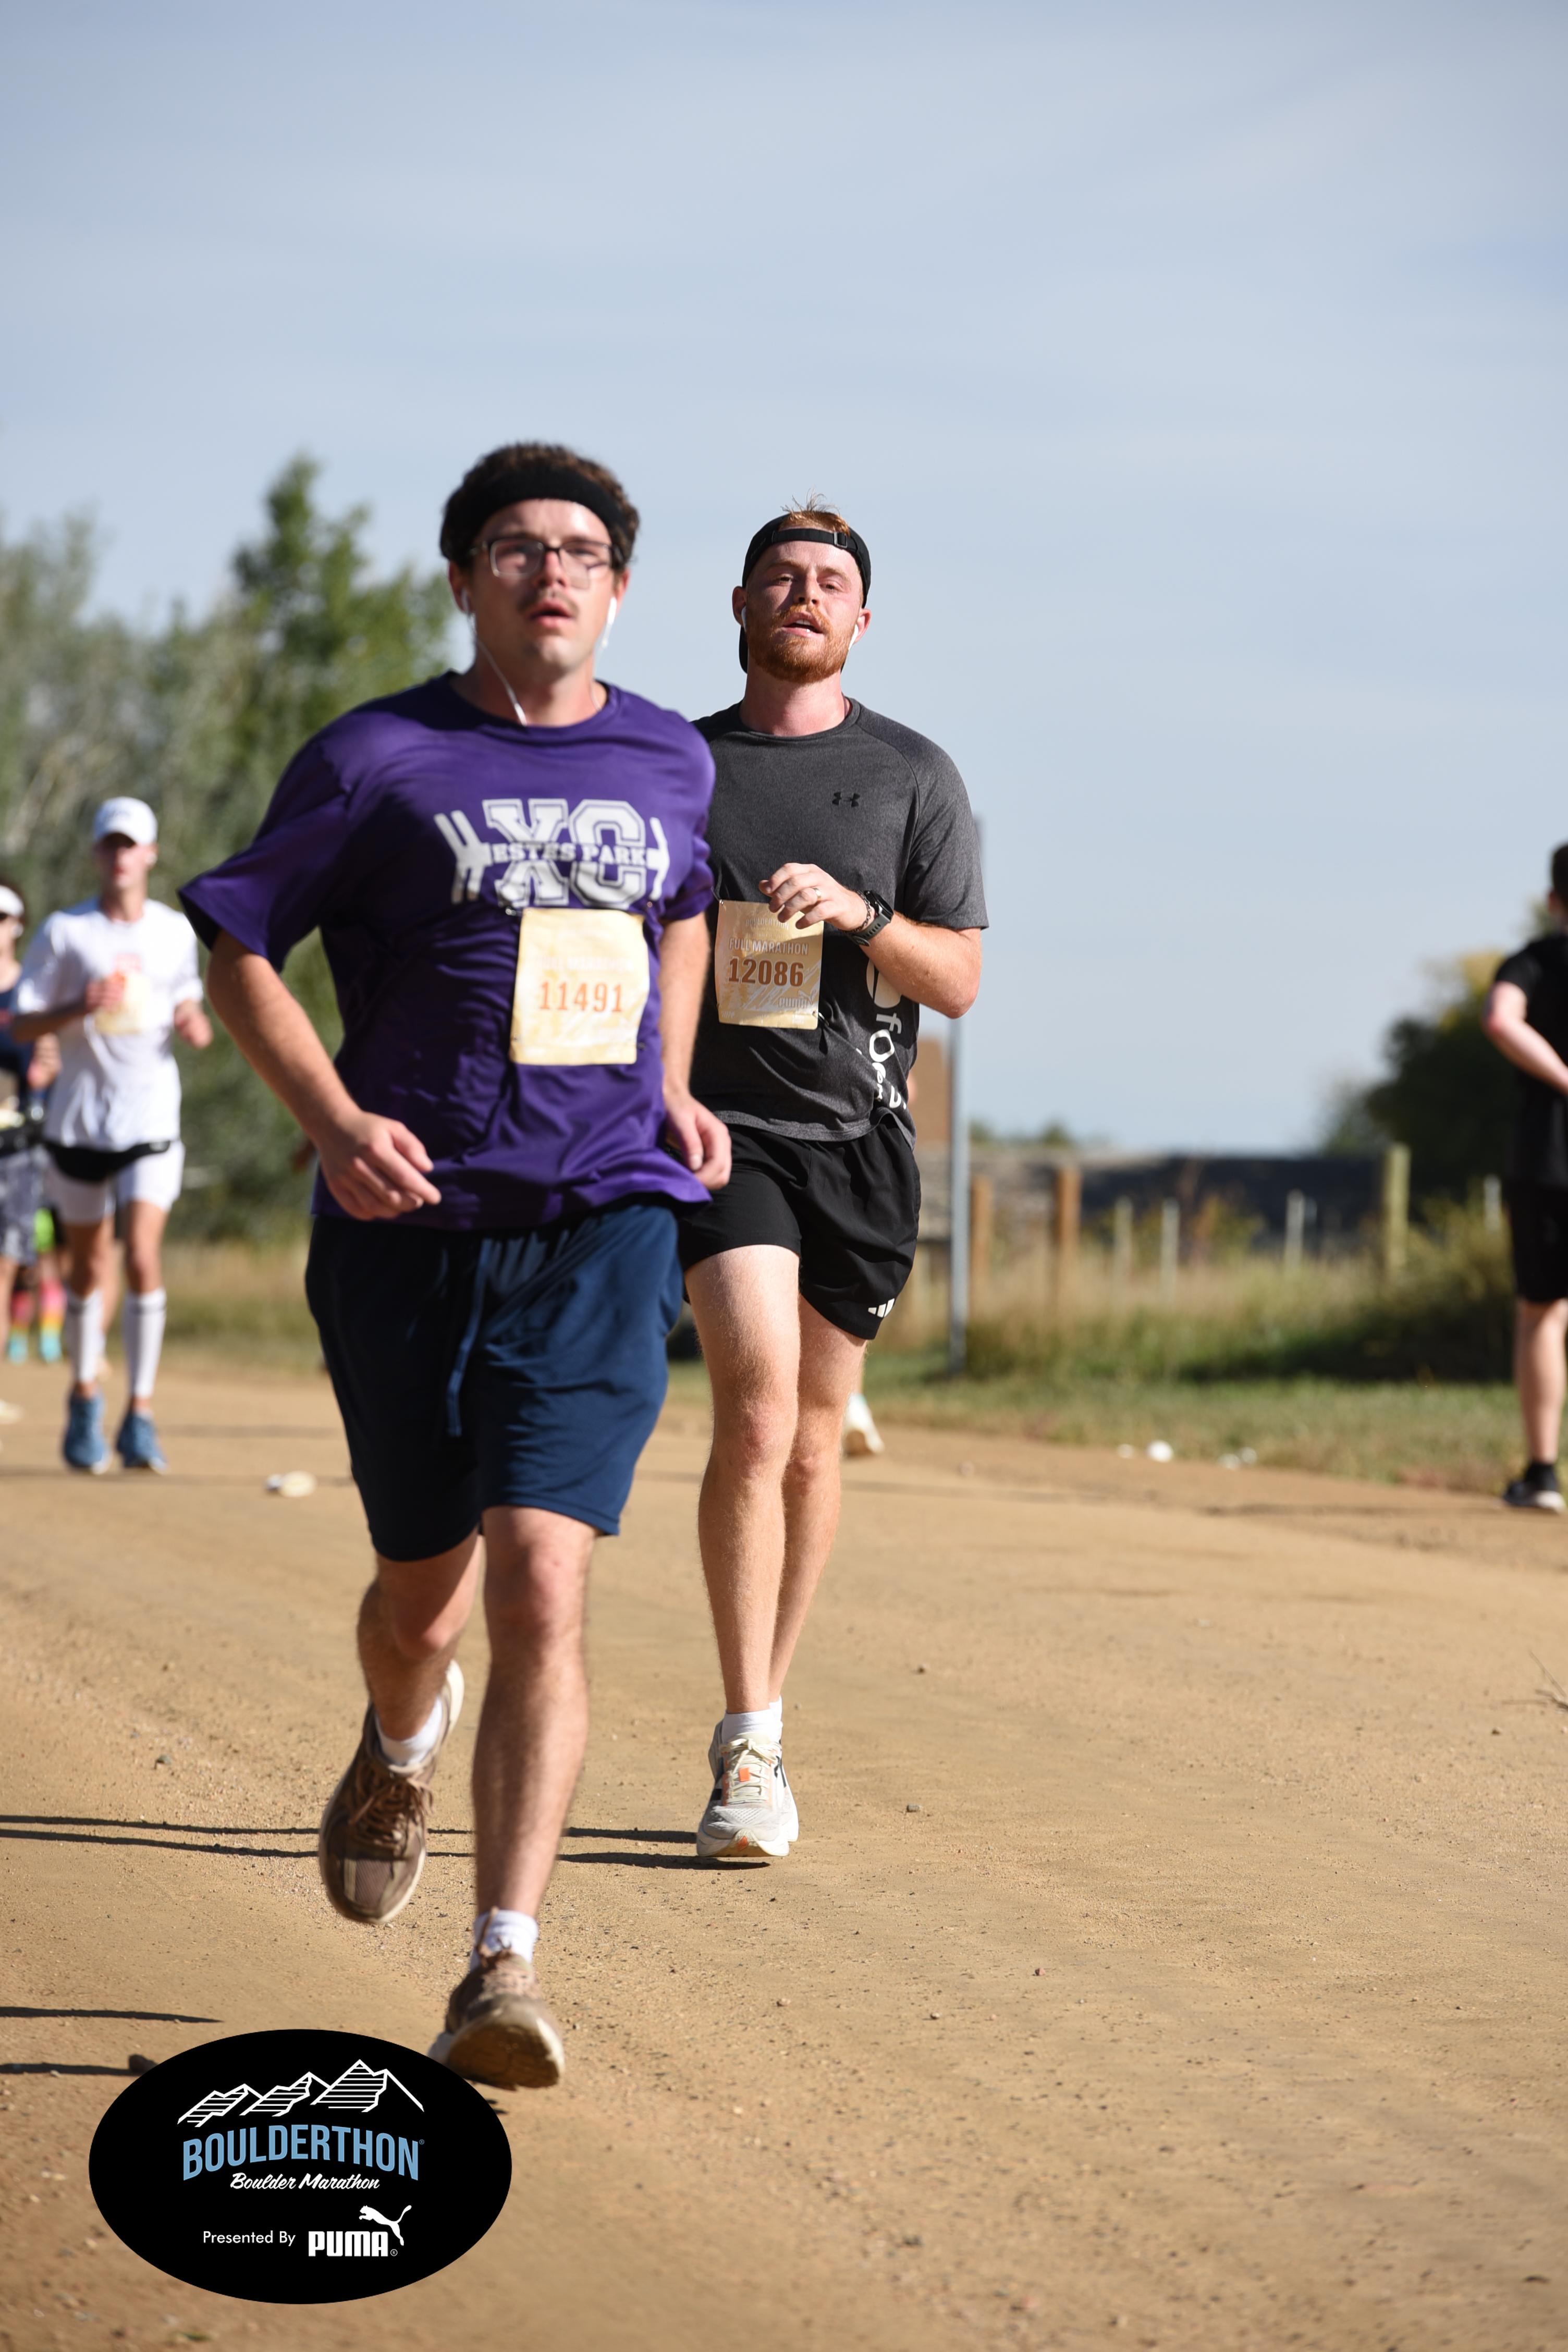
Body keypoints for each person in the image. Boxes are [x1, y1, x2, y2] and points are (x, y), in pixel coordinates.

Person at [181, 440, 729, 2091]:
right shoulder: (377, 758)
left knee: (543, 1575)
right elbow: (235, 939)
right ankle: (400, 1734)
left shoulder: (667, 760)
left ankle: (503, 1960)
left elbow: (684, 910)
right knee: (421, 1598)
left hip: (602, 1219)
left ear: (618, 588)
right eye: (514, 547)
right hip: (407, 1232)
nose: (550, 571)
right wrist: (333, 1119)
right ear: (463, 579)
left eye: (579, 551)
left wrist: (672, 1077)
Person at [679, 502, 985, 1860]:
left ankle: (767, 1714)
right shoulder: (676, 764)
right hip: (721, 1131)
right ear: (741, 605)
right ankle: (746, 1744)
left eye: (829, 582)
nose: (804, 595)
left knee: (812, 1439)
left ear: (862, 619)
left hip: (860, 1137)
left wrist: (862, 916)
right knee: (754, 1416)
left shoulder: (913, 775)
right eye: (781, 577)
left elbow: (959, 981)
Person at [12, 803, 211, 1472]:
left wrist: (193, 1020)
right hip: (78, 1122)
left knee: (143, 1259)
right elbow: (21, 1025)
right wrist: (79, 1005)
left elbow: (185, 997)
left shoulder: (174, 931)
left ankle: (141, 1414)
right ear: (96, 853)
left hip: (151, 1121)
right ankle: (84, 1397)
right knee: (88, 1268)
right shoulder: (67, 931)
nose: (120, 856)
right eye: (110, 845)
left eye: (131, 845)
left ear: (151, 854)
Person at [1483, 844, 1568, 1510]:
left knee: (1540, 1312)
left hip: (1548, 1156)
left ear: (1552, 900)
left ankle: (1541, 1472)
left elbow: (1500, 1020)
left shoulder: (1533, 961)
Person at [0, 882, 60, 1363]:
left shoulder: (32, 992)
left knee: (3, 1269)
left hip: (16, 1149)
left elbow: (48, 1064)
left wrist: (47, 1071)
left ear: (17, 925)